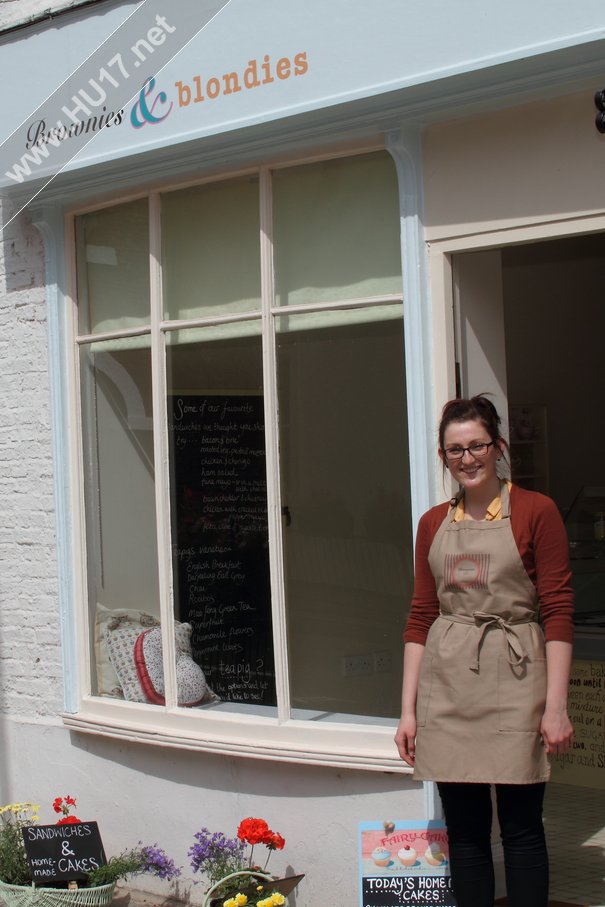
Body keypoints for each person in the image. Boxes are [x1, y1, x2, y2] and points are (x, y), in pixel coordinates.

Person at [394, 395, 574, 907]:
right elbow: (420, 618)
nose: (467, 459)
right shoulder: (432, 523)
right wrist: (408, 712)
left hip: (519, 679)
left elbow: (559, 610)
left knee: (521, 829)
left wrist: (555, 707)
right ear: (443, 456)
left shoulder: (537, 512)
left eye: (476, 446)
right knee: (466, 833)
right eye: (455, 450)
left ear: (498, 448)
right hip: (447, 686)